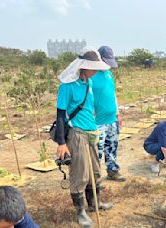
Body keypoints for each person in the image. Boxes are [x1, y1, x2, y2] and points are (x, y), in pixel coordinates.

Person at [54, 47, 113, 227]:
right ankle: (80, 212)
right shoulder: (67, 86)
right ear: (83, 66)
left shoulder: (88, 82)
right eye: (93, 67)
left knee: (95, 171)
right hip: (77, 134)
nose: (95, 71)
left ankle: (94, 203)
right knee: (80, 174)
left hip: (91, 133)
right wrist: (62, 143)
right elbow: (60, 115)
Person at [91, 46, 125, 182]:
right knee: (97, 151)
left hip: (112, 120)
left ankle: (112, 171)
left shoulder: (109, 74)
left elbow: (112, 94)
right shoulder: (92, 75)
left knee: (112, 147)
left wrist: (117, 114)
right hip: (98, 121)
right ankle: (95, 177)